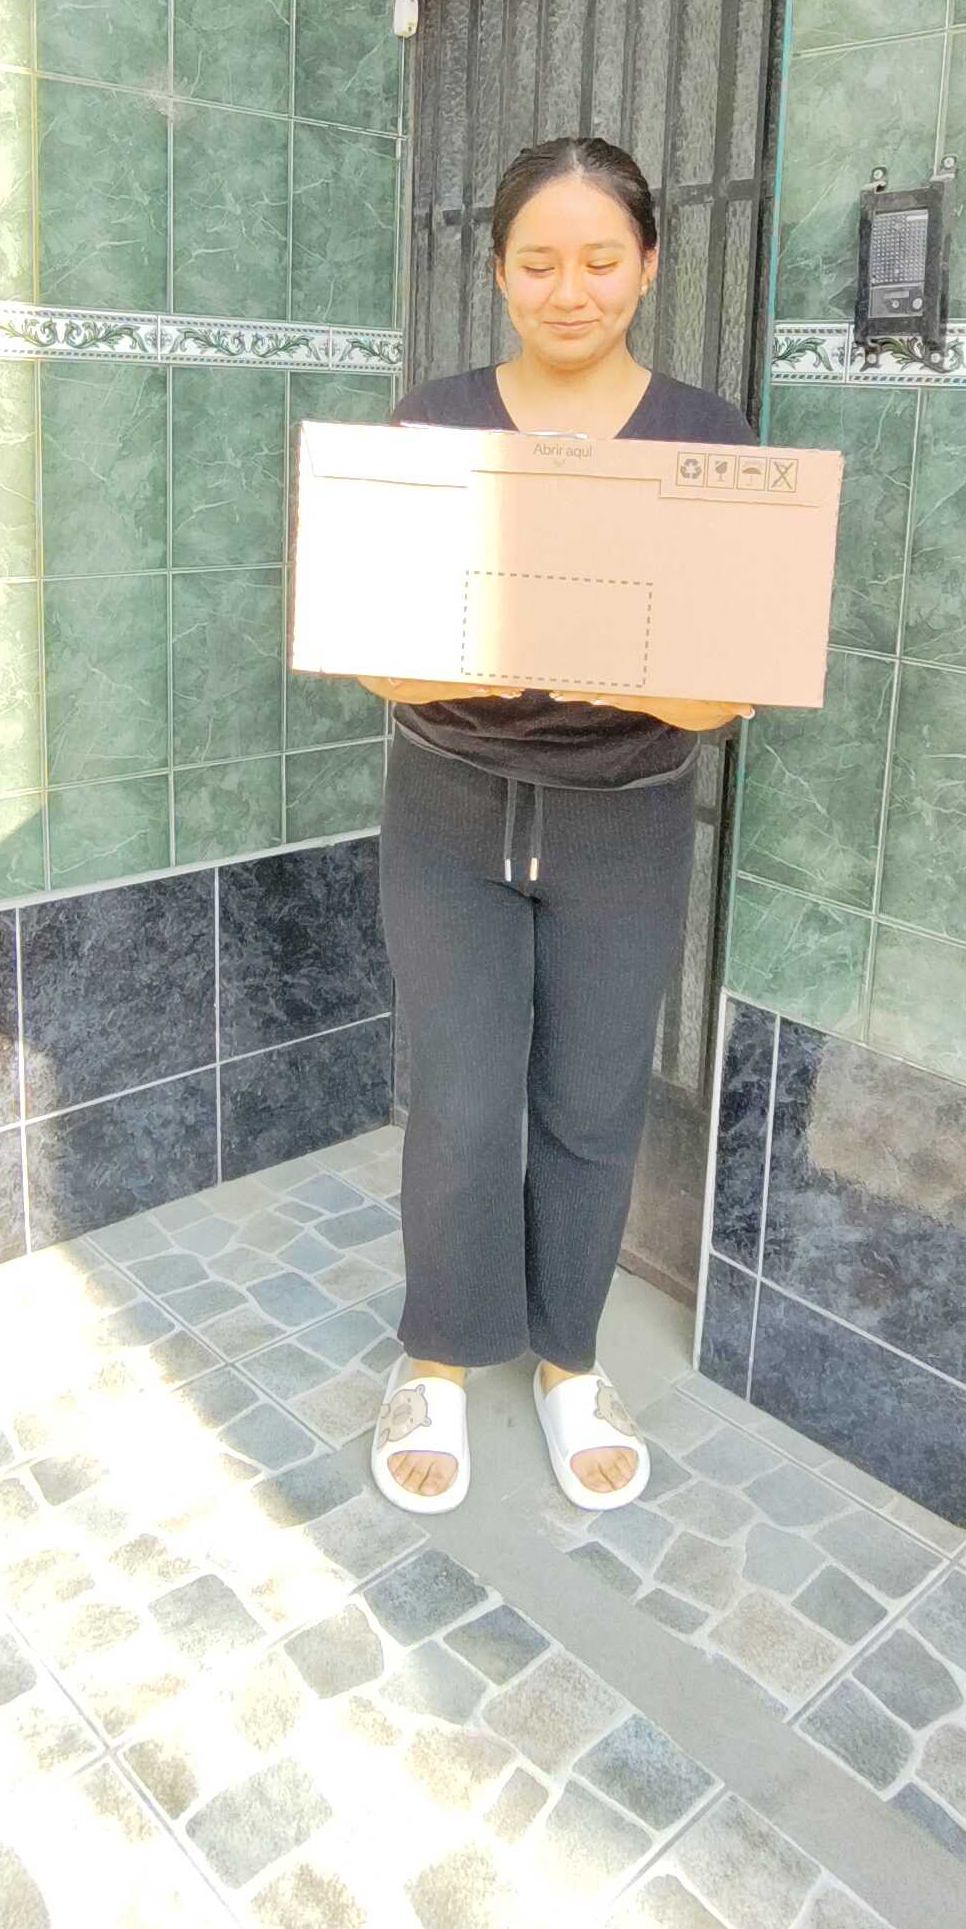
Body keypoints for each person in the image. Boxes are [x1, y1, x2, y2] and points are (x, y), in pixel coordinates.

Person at [359, 135, 757, 1518]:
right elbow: (388, 660)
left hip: (625, 825)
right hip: (448, 812)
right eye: (538, 263)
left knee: (591, 1105)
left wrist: (574, 653)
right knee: (461, 1105)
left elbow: (719, 693)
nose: (568, 291)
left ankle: (569, 1362)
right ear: (497, 273)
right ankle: (435, 1359)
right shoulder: (433, 428)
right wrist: (570, 644)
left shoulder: (708, 444)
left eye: (598, 260)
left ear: (648, 265)